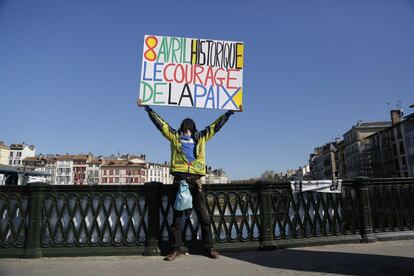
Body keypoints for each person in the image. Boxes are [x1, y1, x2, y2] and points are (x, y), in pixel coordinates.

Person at [137, 99, 240, 261]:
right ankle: (175, 249)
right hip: (180, 182)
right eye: (184, 130)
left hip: (196, 183)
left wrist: (229, 113)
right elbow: (161, 125)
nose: (186, 132)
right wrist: (148, 109)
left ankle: (209, 248)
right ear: (181, 129)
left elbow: (215, 126)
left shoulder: (201, 137)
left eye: (188, 130)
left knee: (204, 217)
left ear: (193, 130)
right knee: (177, 219)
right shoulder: (175, 137)